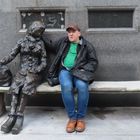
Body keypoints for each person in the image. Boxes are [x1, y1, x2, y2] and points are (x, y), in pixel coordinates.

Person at [43, 24, 98, 133]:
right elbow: (51, 46)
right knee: (66, 86)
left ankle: (81, 118)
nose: (70, 34)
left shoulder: (87, 46)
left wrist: (84, 69)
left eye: (73, 31)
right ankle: (72, 118)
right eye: (69, 32)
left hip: (79, 73)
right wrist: (40, 36)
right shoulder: (63, 42)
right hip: (65, 71)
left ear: (79, 33)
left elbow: (93, 62)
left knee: (82, 86)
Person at [0, 21, 47, 134]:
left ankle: (19, 117)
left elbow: (44, 61)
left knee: (26, 87)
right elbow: (11, 55)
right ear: (32, 29)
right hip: (22, 72)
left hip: (35, 73)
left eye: (42, 31)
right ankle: (11, 116)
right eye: (39, 30)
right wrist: (1, 61)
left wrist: (38, 69)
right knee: (15, 87)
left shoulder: (41, 44)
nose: (40, 33)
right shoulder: (21, 42)